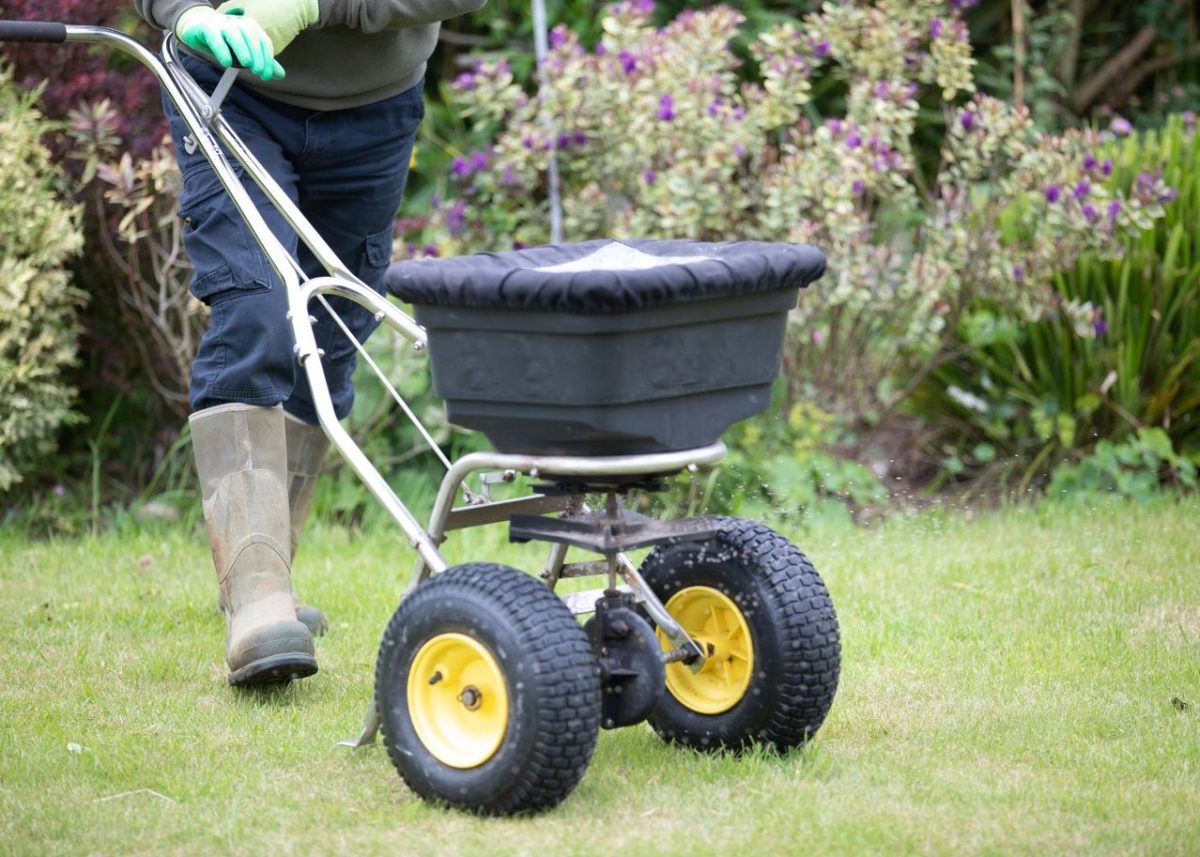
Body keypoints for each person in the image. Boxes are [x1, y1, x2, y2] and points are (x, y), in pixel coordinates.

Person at [132, 0, 486, 687]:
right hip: (232, 91)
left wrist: (319, 4)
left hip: (375, 107)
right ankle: (258, 596)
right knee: (257, 307)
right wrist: (185, 12)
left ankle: (267, 568)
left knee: (332, 332)